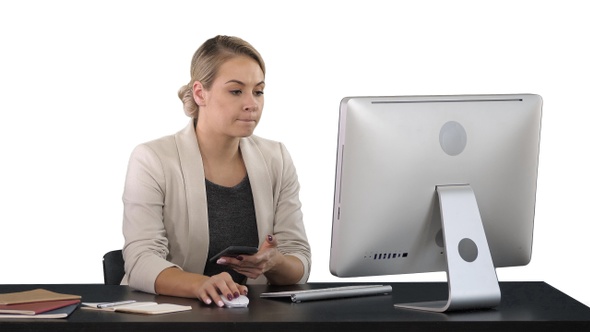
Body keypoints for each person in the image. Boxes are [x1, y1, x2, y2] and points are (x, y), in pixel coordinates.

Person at [121, 35, 311, 307]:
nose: (252, 103)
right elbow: (141, 259)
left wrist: (275, 262)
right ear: (200, 93)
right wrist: (202, 284)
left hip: (253, 315)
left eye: (258, 91)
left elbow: (300, 260)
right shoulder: (152, 159)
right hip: (170, 314)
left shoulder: (276, 158)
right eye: (236, 91)